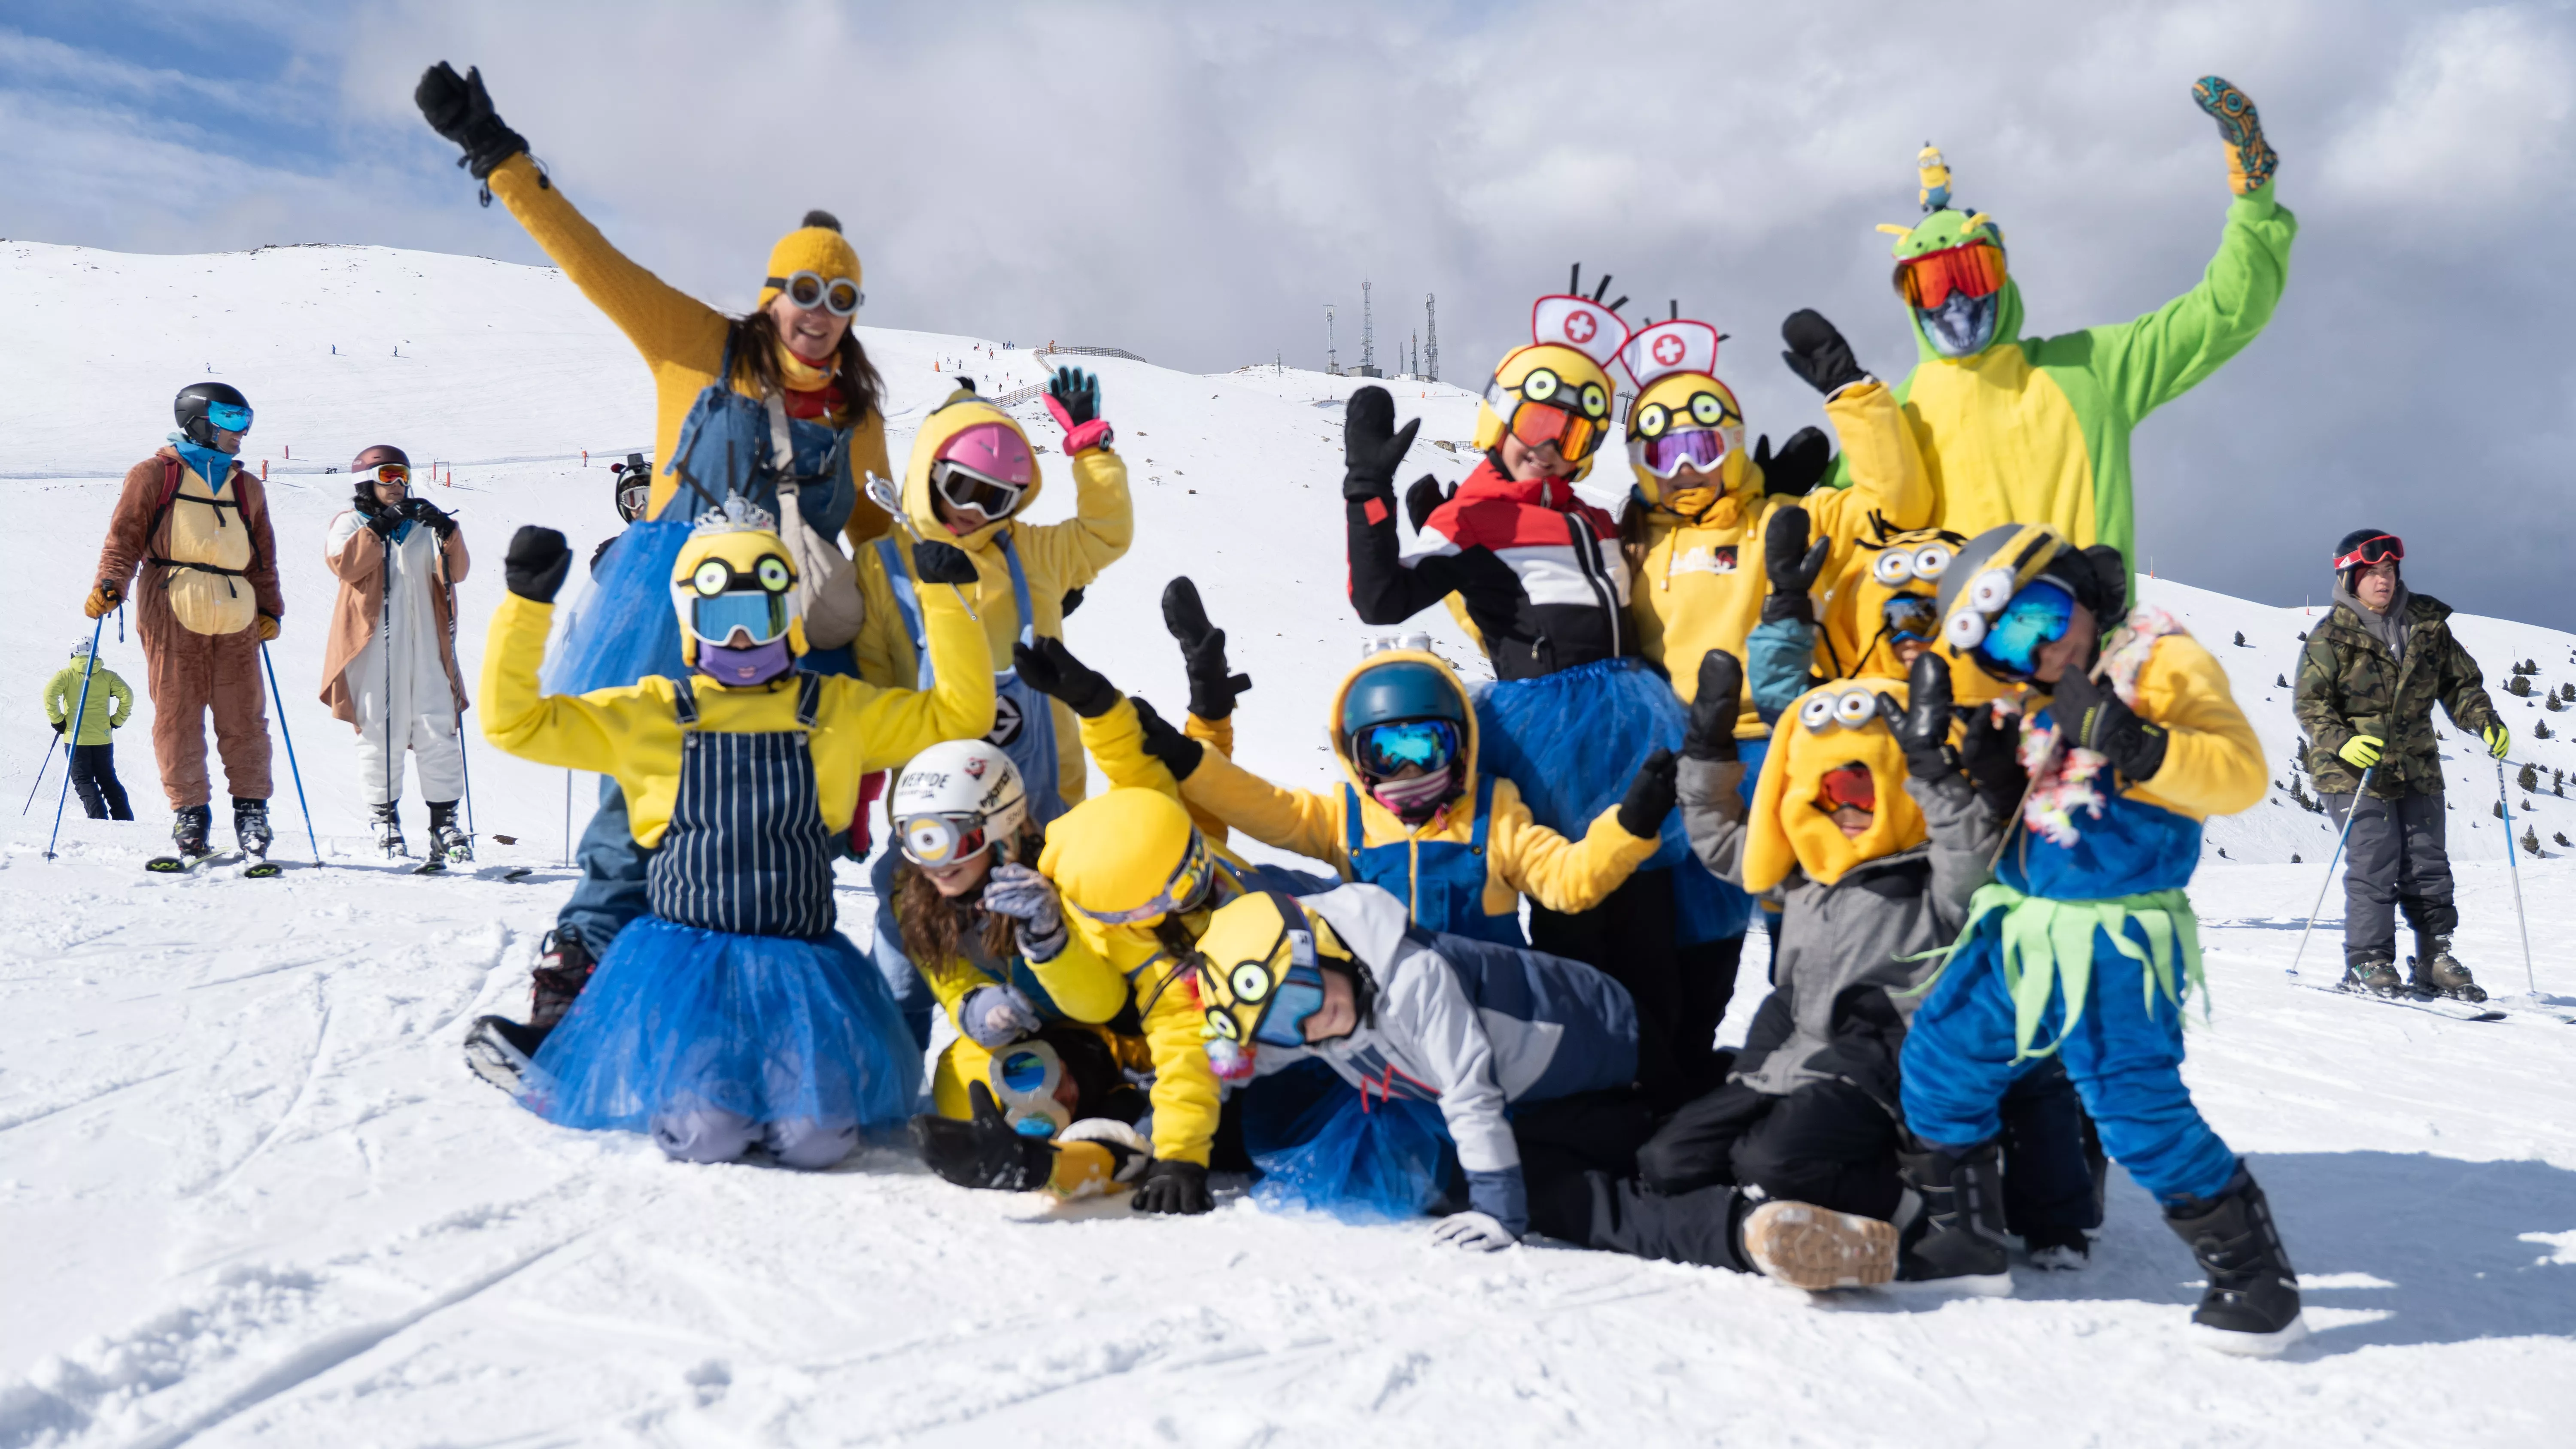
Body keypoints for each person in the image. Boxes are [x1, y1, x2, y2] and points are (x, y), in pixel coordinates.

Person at [416, 61, 887, 1039]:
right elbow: (592, 260)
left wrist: (986, 584)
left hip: (795, 637)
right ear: (772, 295)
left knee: (776, 827)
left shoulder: (858, 414)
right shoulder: (698, 347)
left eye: (841, 295)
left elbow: (883, 541)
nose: (820, 310)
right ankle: (571, 995)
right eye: (804, 289)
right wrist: (497, 155)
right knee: (642, 795)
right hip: (678, 609)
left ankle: (758, 1024)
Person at [1534, 649, 2096, 1287]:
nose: (1844, 808)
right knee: (1668, 1161)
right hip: (1793, 1052)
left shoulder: (1932, 877)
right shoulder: (1804, 868)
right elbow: (1720, 840)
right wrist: (1708, 752)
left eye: (1861, 787)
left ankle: (1910, 1201)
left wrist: (1930, 767)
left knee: (1773, 1162)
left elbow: (1970, 854)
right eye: (1827, 791)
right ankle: (1784, 1193)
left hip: (1884, 1060)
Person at [474, 505, 992, 1166]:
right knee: (707, 1136)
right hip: (688, 969)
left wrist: (947, 603)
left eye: (761, 616)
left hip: (800, 966)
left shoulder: (836, 710)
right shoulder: (657, 713)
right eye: (722, 619)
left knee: (817, 1144)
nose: (743, 639)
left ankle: (775, 1093)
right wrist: (525, 607)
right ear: (692, 623)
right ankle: (703, 1089)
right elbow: (515, 725)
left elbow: (960, 714)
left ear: (790, 617)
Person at [1899, 523, 2301, 1354]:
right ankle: (1963, 1241)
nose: (2041, 649)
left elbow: (2241, 776)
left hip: (2114, 936)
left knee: (2131, 1107)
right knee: (1940, 1056)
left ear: (2082, 590)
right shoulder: (2043, 700)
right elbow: (2038, 825)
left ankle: (2256, 1279)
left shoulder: (2162, 662)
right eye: (2010, 645)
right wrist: (1994, 778)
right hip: (2020, 921)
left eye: (2043, 617)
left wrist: (2132, 741)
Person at [1340, 281, 1719, 1107]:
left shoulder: (1597, 517)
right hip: (1551, 743)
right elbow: (1380, 598)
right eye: (1539, 422)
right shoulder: (1472, 516)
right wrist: (1365, 490)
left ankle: (1667, 1093)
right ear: (1501, 415)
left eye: (1574, 432)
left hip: (1634, 731)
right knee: (1579, 924)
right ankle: (1591, 1098)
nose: (1550, 447)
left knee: (1653, 925)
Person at [1857, 80, 2293, 683]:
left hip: (2091, 671)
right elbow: (1831, 519)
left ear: (2002, 276)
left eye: (1971, 273)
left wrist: (2254, 200)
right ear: (1909, 300)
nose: (1954, 302)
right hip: (1964, 693)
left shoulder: (2087, 369)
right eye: (1930, 285)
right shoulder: (1898, 411)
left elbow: (2223, 313)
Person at [1031, 588, 1670, 950]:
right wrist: (1186, 758)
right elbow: (1264, 807)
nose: (1408, 772)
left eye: (1426, 748)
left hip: (1484, 1000)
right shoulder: (1350, 821)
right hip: (1383, 1008)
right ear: (1355, 757)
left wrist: (1630, 826)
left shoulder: (1494, 814)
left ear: (1461, 748)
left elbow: (1566, 881)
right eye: (1387, 754)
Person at [852, 374, 1133, 1042]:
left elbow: (1106, 536)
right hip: (931, 813)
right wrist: (861, 787)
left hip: (1041, 810)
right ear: (929, 473)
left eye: (997, 498)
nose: (975, 512)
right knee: (906, 956)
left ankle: (1062, 1070)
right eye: (962, 488)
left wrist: (1091, 451)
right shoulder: (883, 566)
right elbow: (873, 684)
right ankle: (895, 1067)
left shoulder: (1032, 553)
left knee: (1048, 956)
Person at [1189, 884, 1643, 1249]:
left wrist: (1498, 1210)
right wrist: (1168, 1138)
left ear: (1322, 949)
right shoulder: (1325, 1012)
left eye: (1299, 996)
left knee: (1637, 1154)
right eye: (1281, 1026)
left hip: (1615, 1038)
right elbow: (1238, 1066)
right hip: (1535, 1086)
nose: (1309, 1023)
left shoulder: (1415, 980)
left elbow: (1468, 1091)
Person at [891, 742, 1160, 1203]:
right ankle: (1027, 1131)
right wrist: (974, 1007)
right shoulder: (918, 897)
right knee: (962, 1078)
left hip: (1110, 1037)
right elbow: (949, 978)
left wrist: (1051, 942)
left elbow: (1105, 1003)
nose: (938, 863)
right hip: (1026, 1042)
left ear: (1000, 828)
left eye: (956, 839)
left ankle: (1100, 1139)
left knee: (1133, 1099)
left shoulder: (1063, 876)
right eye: (919, 840)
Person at [2293, 529, 2505, 1000]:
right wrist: (2344, 742)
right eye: (2371, 572)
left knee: (2428, 862)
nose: (2383, 580)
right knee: (2376, 858)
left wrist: (2484, 720)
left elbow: (2460, 684)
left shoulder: (2427, 625)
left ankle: (2434, 958)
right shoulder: (2330, 636)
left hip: (2416, 765)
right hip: (2352, 771)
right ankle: (2368, 960)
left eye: (2389, 570)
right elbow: (2311, 704)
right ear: (2349, 578)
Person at [86, 382, 283, 862]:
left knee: (245, 717)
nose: (242, 431)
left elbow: (263, 557)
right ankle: (190, 813)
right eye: (231, 419)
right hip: (173, 603)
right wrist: (111, 582)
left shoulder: (247, 487)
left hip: (236, 610)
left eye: (247, 420)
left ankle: (252, 812)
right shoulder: (155, 475)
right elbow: (125, 537)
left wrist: (269, 609)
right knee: (178, 715)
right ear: (198, 420)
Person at [321, 445, 473, 861]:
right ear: (365, 481)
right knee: (380, 729)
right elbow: (345, 566)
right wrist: (380, 527)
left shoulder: (421, 527)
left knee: (437, 726)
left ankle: (445, 822)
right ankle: (384, 820)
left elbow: (457, 572)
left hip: (426, 641)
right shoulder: (351, 523)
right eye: (388, 475)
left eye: (403, 475)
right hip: (374, 645)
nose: (398, 484)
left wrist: (447, 530)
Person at [44, 639, 134, 821]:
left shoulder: (65, 675)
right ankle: (125, 820)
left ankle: (98, 820)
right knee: (108, 780)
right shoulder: (108, 676)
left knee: (84, 781)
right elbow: (128, 696)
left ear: (73, 654)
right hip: (103, 739)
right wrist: (117, 720)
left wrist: (58, 721)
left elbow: (49, 695)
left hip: (75, 739)